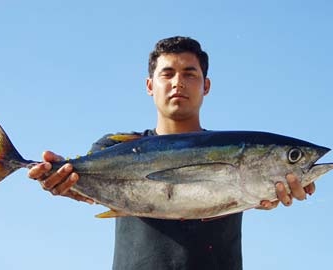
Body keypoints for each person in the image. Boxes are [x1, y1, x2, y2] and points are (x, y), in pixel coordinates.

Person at [28, 36, 315, 270]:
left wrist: (272, 191)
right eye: (168, 73)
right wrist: (63, 182)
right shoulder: (111, 148)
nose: (178, 82)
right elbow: (82, 189)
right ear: (150, 86)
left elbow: (258, 187)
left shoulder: (237, 150)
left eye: (190, 74)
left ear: (206, 86)